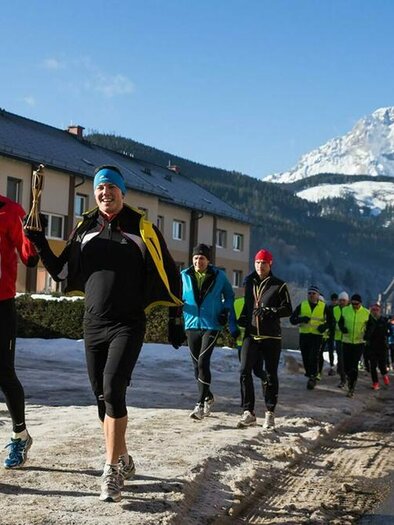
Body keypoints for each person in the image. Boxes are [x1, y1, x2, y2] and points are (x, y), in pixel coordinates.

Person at [25, 165, 182, 502]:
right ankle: (123, 457)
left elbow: (169, 273)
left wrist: (175, 319)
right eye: (100, 188)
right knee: (102, 397)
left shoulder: (142, 228)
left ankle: (110, 469)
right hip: (93, 324)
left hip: (128, 323)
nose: (105, 193)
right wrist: (39, 242)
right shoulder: (85, 228)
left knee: (113, 388)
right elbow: (63, 270)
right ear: (94, 193)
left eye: (111, 187)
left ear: (122, 192)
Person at [180, 243, 239, 420]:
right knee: (196, 366)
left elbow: (230, 296)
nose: (199, 261)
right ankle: (208, 396)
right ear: (192, 259)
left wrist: (225, 311)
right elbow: (177, 298)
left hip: (211, 324)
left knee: (203, 361)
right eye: (196, 258)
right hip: (191, 325)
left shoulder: (219, 276)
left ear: (208, 260)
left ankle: (199, 404)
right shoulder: (183, 275)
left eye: (202, 258)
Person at [0, 193, 38, 468]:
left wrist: (34, 236)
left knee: (4, 373)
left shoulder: (9, 211)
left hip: (1, 305)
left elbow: (29, 258)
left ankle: (20, 435)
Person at [237, 249, 292, 429]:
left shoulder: (279, 285)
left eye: (264, 263)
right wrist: (243, 318)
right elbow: (248, 305)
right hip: (251, 334)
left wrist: (270, 311)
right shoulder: (250, 282)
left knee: (270, 374)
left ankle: (270, 412)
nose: (260, 266)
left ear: (270, 265)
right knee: (244, 370)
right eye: (258, 263)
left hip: (271, 337)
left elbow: (288, 309)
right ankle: (248, 412)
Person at [290, 285, 333, 390]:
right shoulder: (302, 305)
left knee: (313, 356)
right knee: (305, 356)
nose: (311, 295)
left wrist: (324, 326)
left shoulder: (324, 307)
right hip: (304, 335)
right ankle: (309, 374)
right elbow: (292, 319)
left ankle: (313, 377)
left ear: (318, 295)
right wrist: (301, 319)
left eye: (314, 293)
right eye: (309, 293)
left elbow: (332, 321)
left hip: (317, 336)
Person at [339, 293, 370, 398]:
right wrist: (343, 329)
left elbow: (371, 326)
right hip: (347, 341)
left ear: (360, 303)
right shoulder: (345, 310)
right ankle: (349, 377)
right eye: (352, 304)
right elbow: (340, 323)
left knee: (354, 365)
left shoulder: (366, 313)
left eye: (356, 304)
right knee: (347, 365)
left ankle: (352, 387)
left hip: (359, 342)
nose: (354, 306)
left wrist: (367, 335)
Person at [364, 304, 390, 390]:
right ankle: (375, 383)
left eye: (376, 310)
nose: (375, 312)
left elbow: (388, 333)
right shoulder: (368, 321)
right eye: (373, 310)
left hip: (382, 347)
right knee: (373, 366)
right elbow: (366, 334)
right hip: (372, 347)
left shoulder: (384, 321)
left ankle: (384, 375)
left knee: (382, 366)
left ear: (380, 311)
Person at [332, 291, 349, 388]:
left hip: (348, 338)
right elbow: (331, 321)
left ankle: (347, 376)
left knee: (347, 359)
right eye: (340, 300)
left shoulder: (350, 310)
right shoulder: (335, 310)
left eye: (344, 300)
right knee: (341, 358)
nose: (342, 302)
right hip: (338, 338)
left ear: (347, 301)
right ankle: (343, 379)